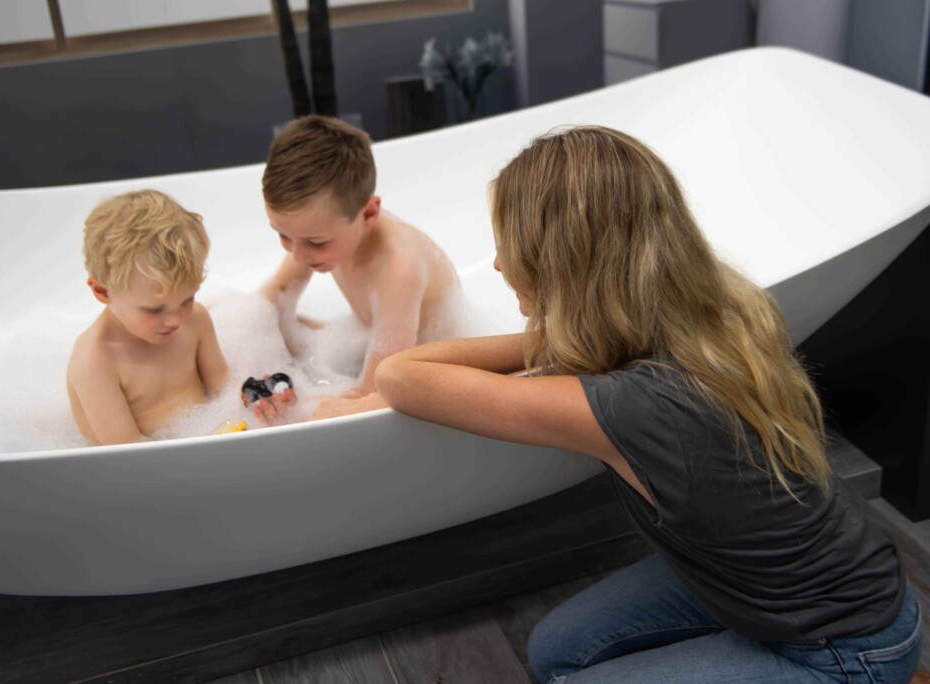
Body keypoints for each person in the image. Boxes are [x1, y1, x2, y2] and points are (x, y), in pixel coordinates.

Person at [374, 126, 923, 682]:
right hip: (816, 579)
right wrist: (577, 325)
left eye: (508, 247)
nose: (496, 265)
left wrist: (562, 329)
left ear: (562, 261)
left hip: (845, 647)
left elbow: (400, 375)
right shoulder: (721, 313)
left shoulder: (635, 405)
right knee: (556, 653)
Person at [259, 115, 460, 420]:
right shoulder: (318, 233)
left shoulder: (400, 266)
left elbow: (377, 389)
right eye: (282, 236)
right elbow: (272, 299)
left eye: (316, 243)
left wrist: (295, 403)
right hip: (373, 339)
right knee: (263, 321)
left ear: (368, 213)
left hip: (432, 364)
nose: (297, 255)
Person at [67, 189, 229, 445]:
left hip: (206, 444)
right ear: (102, 291)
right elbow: (128, 452)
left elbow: (225, 391)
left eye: (187, 299)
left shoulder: (195, 320)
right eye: (155, 310)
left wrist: (260, 400)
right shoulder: (96, 361)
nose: (175, 320)